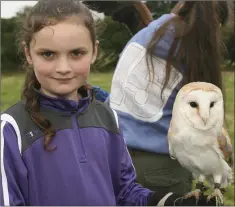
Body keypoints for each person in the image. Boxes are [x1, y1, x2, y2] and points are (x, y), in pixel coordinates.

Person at [0, 0, 218, 206]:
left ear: (94, 51)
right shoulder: (12, 128)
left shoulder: (107, 116)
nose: (63, 67)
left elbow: (125, 191)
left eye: (77, 53)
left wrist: (167, 202)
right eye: (48, 54)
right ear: (29, 54)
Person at [94, 1, 233, 195]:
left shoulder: (145, 35)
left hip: (109, 158)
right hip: (159, 171)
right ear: (215, 25)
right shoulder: (194, 54)